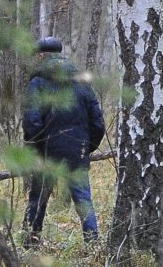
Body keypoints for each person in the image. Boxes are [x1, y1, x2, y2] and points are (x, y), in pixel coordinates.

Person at [21, 36, 105, 246]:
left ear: (41, 56)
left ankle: (31, 241)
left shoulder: (38, 82)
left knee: (38, 199)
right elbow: (98, 123)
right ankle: (93, 244)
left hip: (47, 152)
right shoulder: (82, 81)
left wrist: (38, 147)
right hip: (78, 150)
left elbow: (31, 122)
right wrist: (85, 147)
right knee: (83, 199)